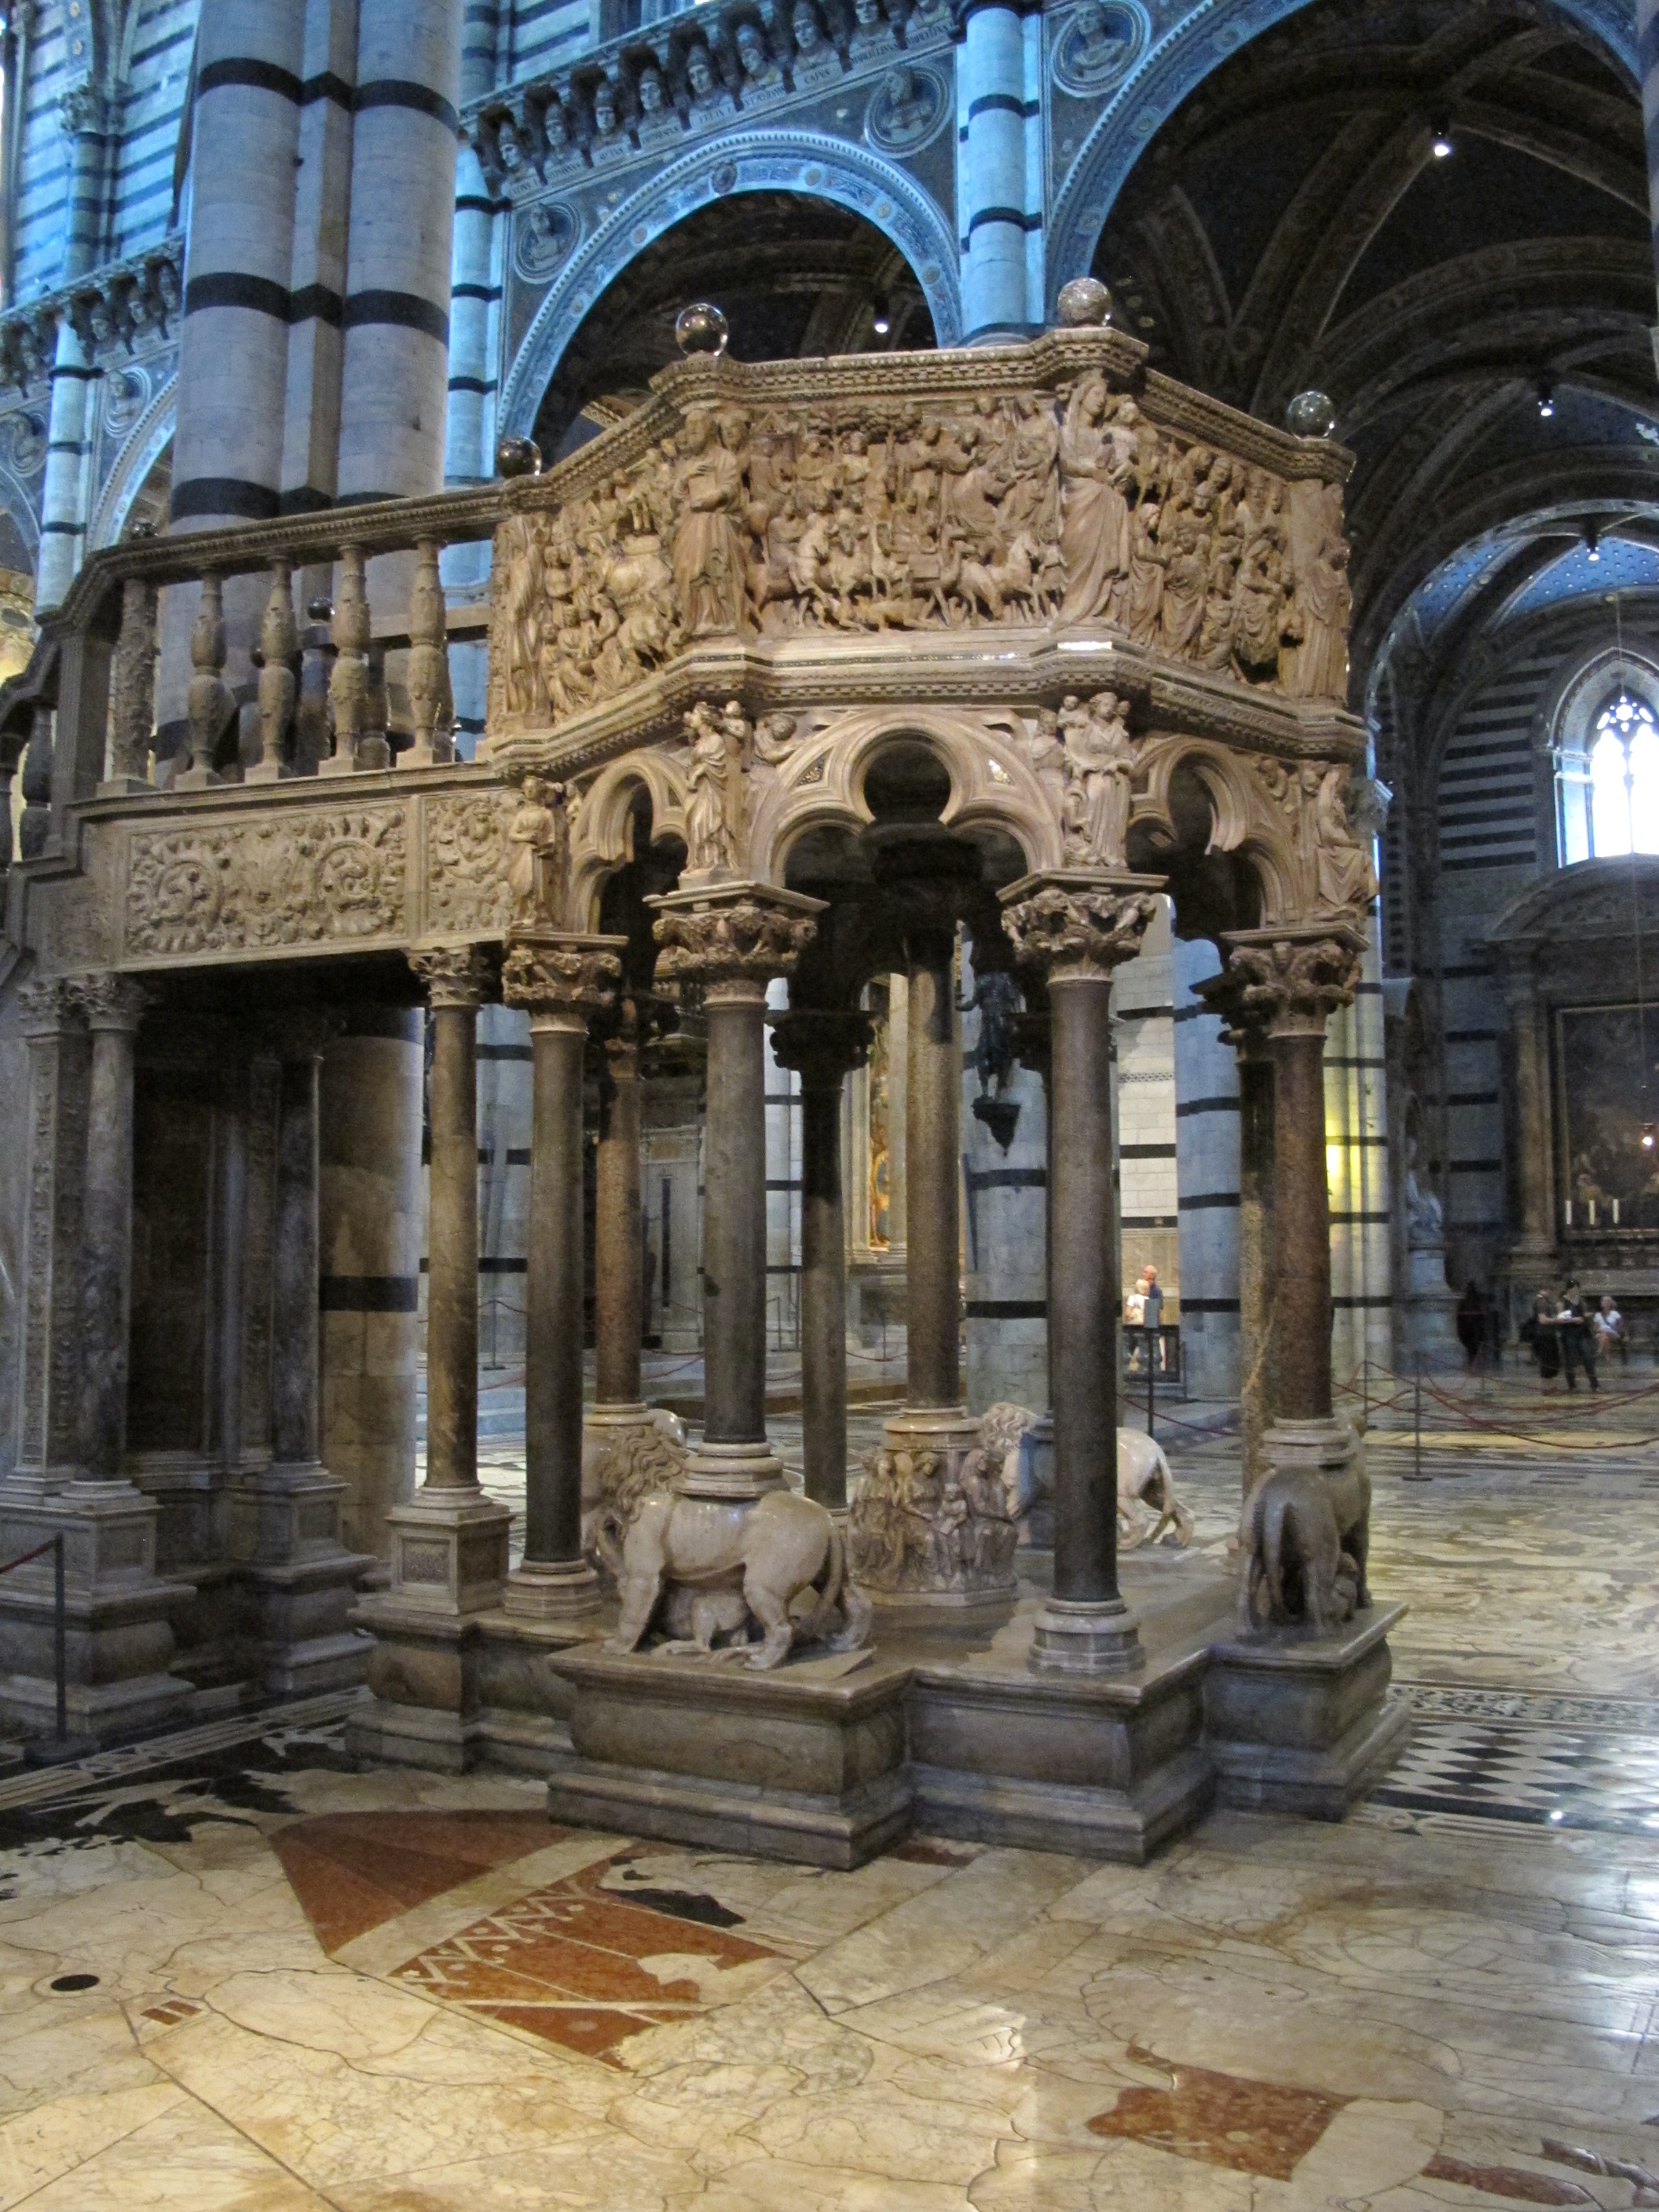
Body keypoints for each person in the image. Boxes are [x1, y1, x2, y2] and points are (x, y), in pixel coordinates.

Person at [1456, 1280, 1485, 1372]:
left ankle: (1473, 1366)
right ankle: (1472, 1366)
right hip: (1468, 1329)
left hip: (1472, 1329)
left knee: (1473, 1349)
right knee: (1472, 1348)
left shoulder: (1472, 1303)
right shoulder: (1468, 1303)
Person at [1141, 1265, 1164, 1375]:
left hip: (1153, 1324)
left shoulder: (1156, 1291)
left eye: (1145, 1272)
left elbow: (1160, 1309)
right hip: (1142, 1323)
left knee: (1154, 1347)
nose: (1143, 1274)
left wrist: (1159, 1324)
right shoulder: (1142, 1288)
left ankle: (1155, 1369)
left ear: (1151, 1275)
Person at [1594, 1294, 1627, 1364]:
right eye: (1603, 1301)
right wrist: (1601, 1331)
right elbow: (1595, 1328)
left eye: (1606, 1302)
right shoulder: (1597, 1315)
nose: (1604, 1303)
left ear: (1610, 1304)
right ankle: (1607, 1357)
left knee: (1606, 1335)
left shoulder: (1615, 1314)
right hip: (1601, 1333)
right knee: (1605, 1336)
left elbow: (1621, 1324)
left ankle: (1599, 1352)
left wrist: (1618, 1330)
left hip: (1613, 1333)